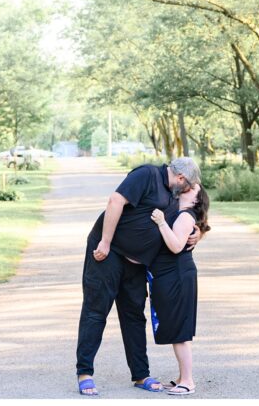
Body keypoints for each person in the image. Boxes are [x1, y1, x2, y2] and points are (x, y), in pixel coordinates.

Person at [75, 157, 202, 397]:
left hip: (137, 263)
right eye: (187, 186)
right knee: (96, 310)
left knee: (134, 315)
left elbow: (194, 212)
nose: (188, 192)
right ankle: (85, 373)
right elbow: (115, 201)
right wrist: (105, 241)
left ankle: (140, 374)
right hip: (108, 253)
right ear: (180, 178)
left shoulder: (177, 194)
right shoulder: (147, 175)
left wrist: (198, 233)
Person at [149, 184, 210, 396]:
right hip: (174, 274)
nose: (186, 188)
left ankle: (188, 381)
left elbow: (175, 246)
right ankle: (181, 378)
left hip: (178, 274)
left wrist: (161, 222)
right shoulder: (180, 210)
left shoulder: (185, 216)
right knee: (176, 327)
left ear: (196, 198)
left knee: (180, 330)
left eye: (192, 188)